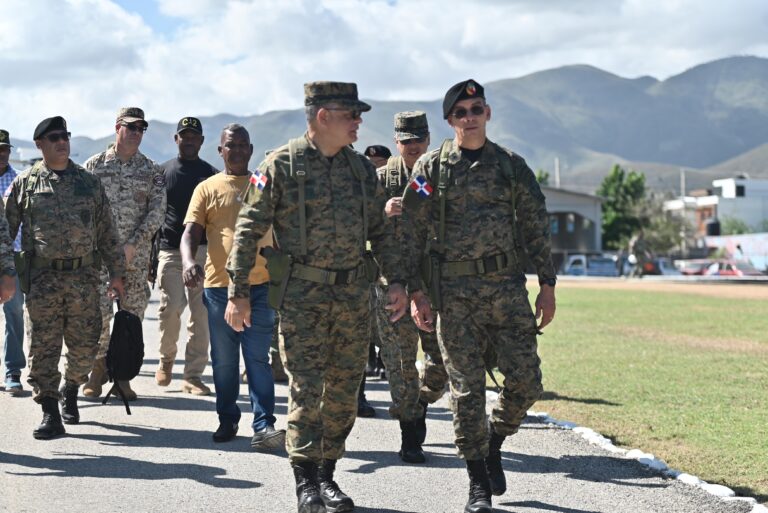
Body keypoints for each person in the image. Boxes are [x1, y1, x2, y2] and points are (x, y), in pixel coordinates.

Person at [225, 81, 408, 513]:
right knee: (307, 389)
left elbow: (381, 234)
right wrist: (239, 292)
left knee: (344, 393)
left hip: (351, 296)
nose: (359, 123)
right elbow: (247, 230)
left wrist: (397, 281)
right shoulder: (279, 165)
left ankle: (327, 475)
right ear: (323, 117)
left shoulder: (361, 171)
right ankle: (305, 482)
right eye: (351, 115)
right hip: (303, 298)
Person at [401, 80, 557, 513]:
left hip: (507, 290)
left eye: (476, 108)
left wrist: (547, 283)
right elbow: (410, 235)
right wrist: (417, 292)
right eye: (461, 111)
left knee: (527, 383)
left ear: (487, 113)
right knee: (466, 391)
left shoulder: (511, 166)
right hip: (455, 296)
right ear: (450, 120)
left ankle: (494, 442)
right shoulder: (431, 170)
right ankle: (477, 485)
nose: (470, 116)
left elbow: (535, 224)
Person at [5, 116, 125, 439]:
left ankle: (72, 386)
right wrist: (5, 271)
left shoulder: (88, 183)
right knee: (43, 348)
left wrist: (117, 273)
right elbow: (5, 230)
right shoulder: (26, 184)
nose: (62, 142)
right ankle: (49, 410)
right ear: (39, 144)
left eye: (65, 136)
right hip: (43, 280)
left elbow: (108, 231)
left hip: (84, 280)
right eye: (54, 137)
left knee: (86, 345)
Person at [181, 123, 285, 449]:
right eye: (231, 145)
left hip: (262, 286)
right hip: (218, 288)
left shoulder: (264, 184)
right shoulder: (207, 188)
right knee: (225, 361)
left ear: (251, 149)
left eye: (243, 145)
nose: (237, 150)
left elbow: (284, 229)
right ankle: (227, 419)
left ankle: (264, 425)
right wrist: (188, 262)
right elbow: (190, 233)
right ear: (220, 150)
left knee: (257, 359)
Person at [371, 110, 447, 462]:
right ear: (396, 141)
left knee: (443, 363)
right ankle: (410, 433)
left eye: (419, 140)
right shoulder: (381, 179)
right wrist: (381, 212)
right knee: (401, 363)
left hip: (435, 287)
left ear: (429, 139)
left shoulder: (442, 177)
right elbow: (357, 227)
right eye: (406, 141)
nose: (413, 146)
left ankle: (417, 404)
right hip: (391, 287)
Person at [83, 107, 166, 401]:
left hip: (136, 257)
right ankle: (98, 369)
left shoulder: (152, 171)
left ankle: (122, 376)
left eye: (141, 129)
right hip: (102, 259)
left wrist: (133, 244)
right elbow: (84, 213)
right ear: (117, 127)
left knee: (131, 318)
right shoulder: (93, 167)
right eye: (131, 127)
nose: (136, 133)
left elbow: (157, 213)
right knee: (101, 316)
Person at [155, 116, 216, 395]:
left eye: (194, 136)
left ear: (201, 141)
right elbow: (154, 216)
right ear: (176, 139)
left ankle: (192, 375)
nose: (189, 140)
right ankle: (166, 359)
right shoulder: (163, 172)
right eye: (184, 135)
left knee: (201, 315)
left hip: (203, 251)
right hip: (170, 250)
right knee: (171, 309)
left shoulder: (212, 175)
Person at [0, 129, 26, 396]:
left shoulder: (18, 182)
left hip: (13, 258)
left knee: (14, 313)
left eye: (4, 149)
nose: (1, 154)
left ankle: (13, 371)